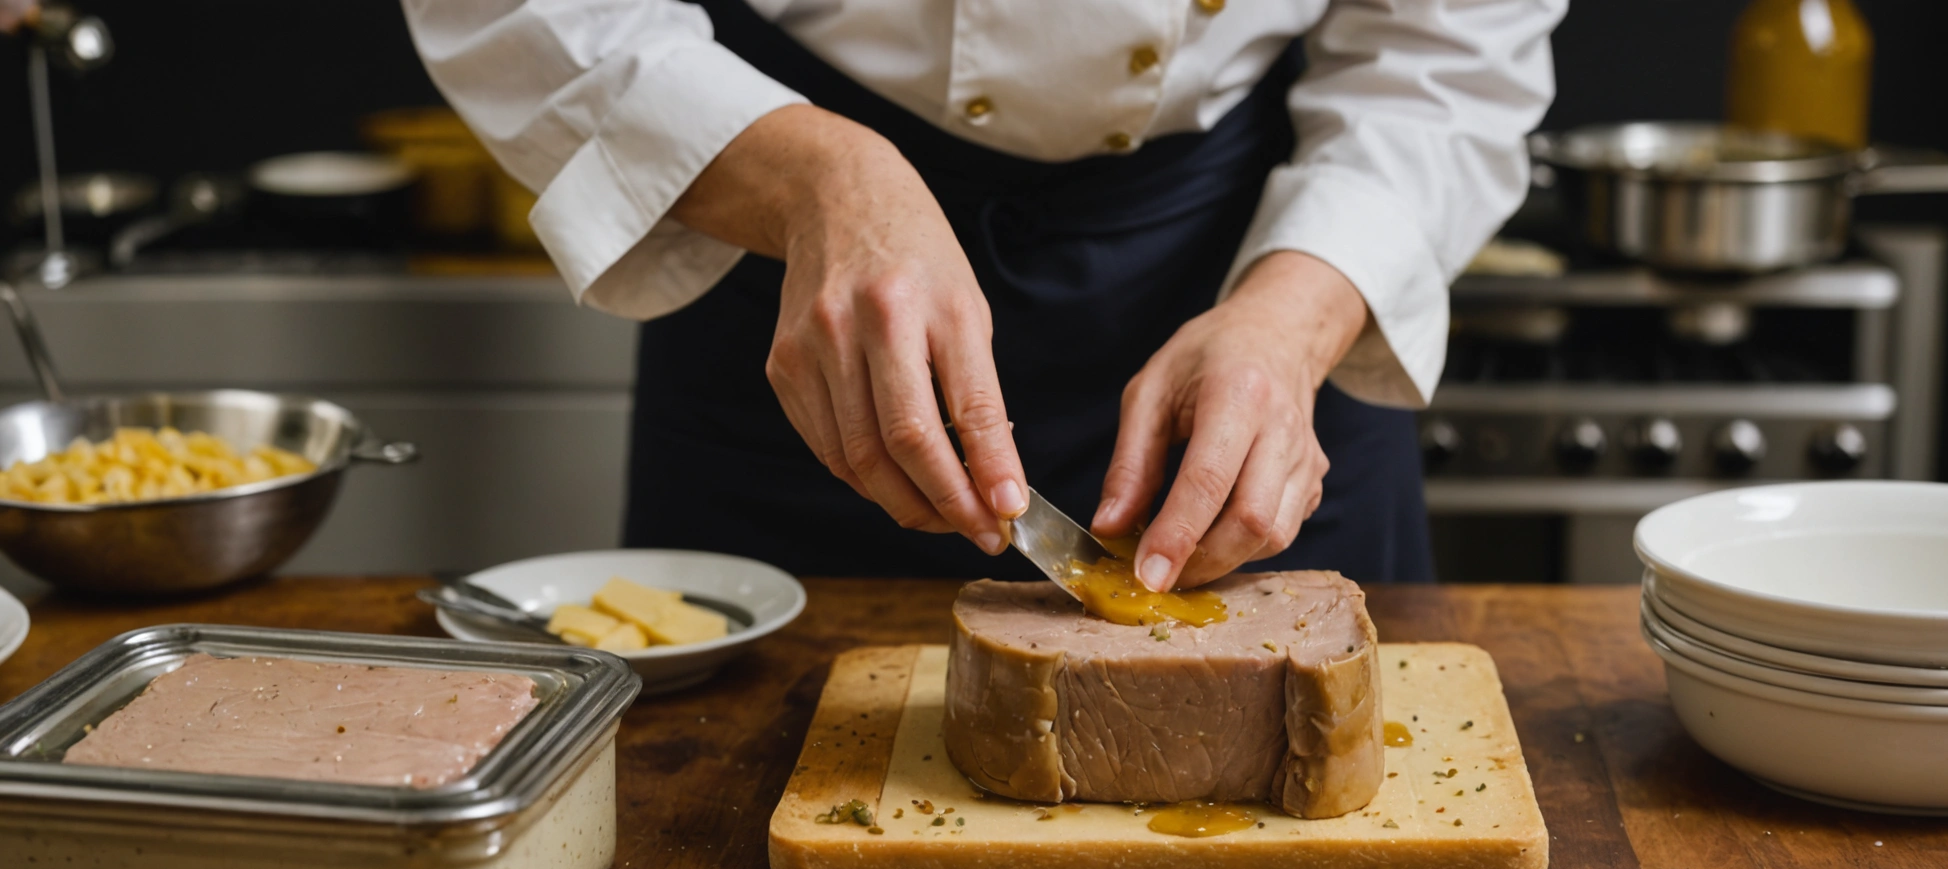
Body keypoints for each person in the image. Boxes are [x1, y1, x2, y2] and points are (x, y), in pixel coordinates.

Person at [403, 0, 1563, 590]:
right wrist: (813, 179)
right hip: (790, 235)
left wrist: (1294, 317)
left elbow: (1450, 46)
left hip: (1254, 263)